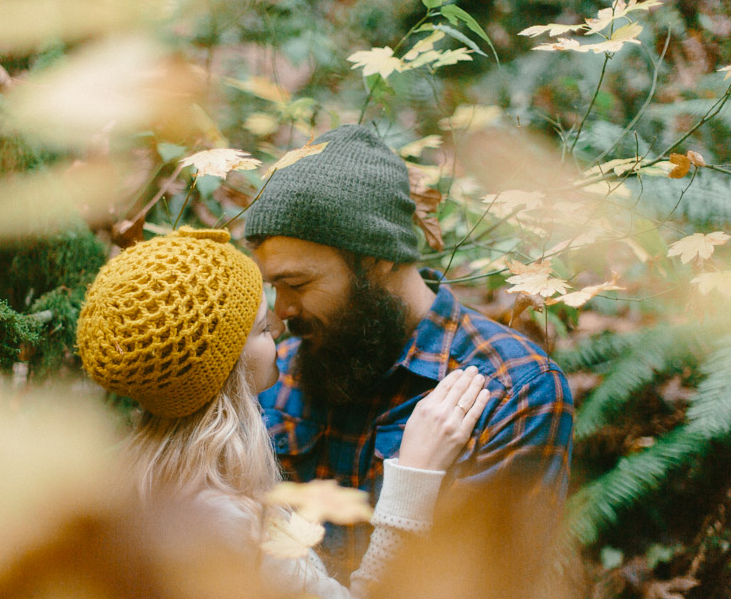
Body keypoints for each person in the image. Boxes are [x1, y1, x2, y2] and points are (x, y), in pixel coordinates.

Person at [75, 226, 490, 598]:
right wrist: (413, 478)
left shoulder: (134, 486)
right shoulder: (223, 521)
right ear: (224, 369)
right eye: (260, 328)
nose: (278, 322)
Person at [244, 124, 574, 580]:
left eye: (297, 284)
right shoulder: (284, 370)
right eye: (273, 286)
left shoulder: (515, 392)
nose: (282, 311)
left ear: (378, 258)